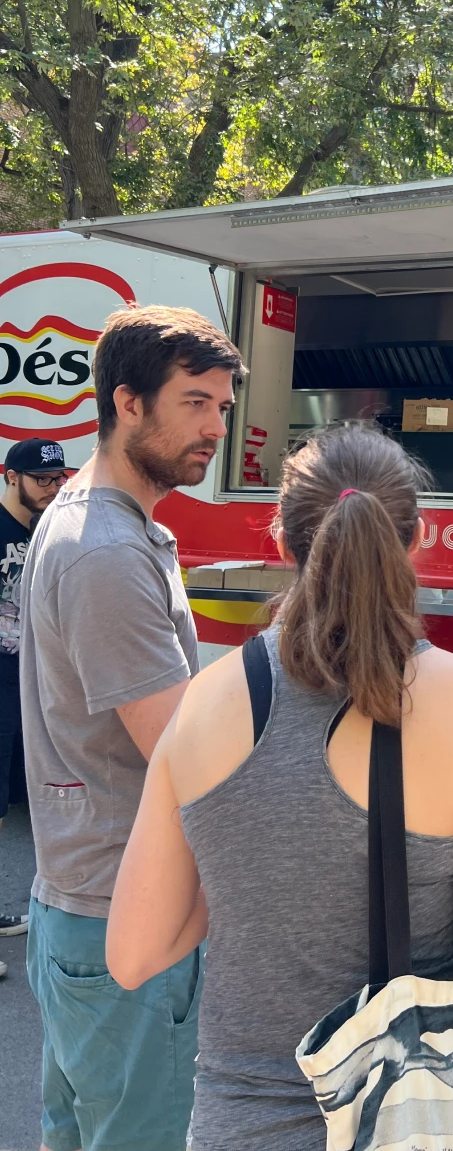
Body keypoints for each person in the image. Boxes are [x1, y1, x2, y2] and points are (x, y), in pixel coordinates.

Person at [107, 424, 453, 1151]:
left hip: (240, 1125)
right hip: (418, 1117)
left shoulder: (202, 704)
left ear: (280, 542)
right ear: (418, 537)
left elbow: (134, 952)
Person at [20, 305, 244, 1151]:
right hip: (128, 908)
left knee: (79, 1130)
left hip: (89, 900)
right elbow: (188, 757)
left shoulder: (105, 522)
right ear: (128, 403)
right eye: (195, 403)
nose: (215, 427)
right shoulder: (104, 549)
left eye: (222, 407)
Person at [0, 439, 69, 975]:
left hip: (30, 689)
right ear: (10, 476)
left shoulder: (47, 532)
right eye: (42, 480)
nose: (52, 488)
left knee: (18, 807)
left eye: (58, 479)